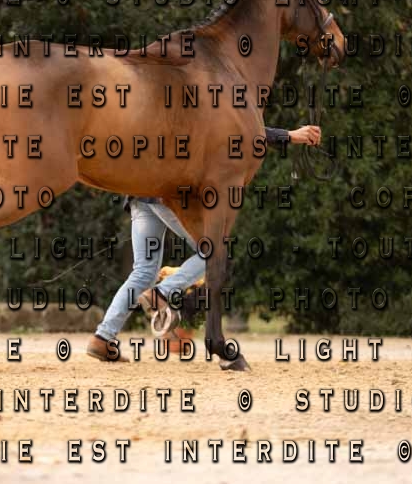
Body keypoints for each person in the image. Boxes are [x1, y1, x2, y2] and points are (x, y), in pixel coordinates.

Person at [86, 125, 322, 362]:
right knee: (213, 252)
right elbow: (237, 125)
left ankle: (103, 338)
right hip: (166, 194)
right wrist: (288, 136)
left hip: (139, 192)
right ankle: (162, 292)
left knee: (144, 271)